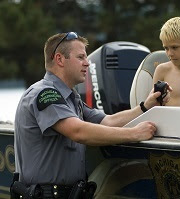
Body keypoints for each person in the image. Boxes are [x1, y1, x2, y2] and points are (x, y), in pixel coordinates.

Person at [13, 32, 170, 199]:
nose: (87, 63)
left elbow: (107, 121)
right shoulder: (44, 94)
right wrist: (134, 134)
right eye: (80, 57)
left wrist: (145, 107)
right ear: (59, 59)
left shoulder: (71, 98)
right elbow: (78, 131)